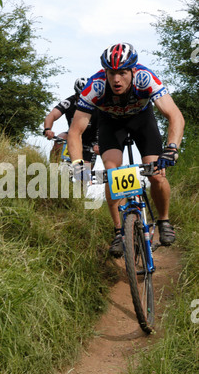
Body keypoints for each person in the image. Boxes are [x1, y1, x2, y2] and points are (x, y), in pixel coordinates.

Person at [67, 43, 185, 257]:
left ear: (133, 70)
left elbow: (174, 115)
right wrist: (77, 164)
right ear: (106, 72)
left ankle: (164, 221)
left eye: (122, 72)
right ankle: (119, 232)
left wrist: (172, 148)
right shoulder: (96, 87)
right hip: (111, 125)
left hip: (142, 121)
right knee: (113, 171)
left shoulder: (145, 78)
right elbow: (75, 131)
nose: (116, 79)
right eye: (112, 73)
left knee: (157, 175)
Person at [43, 78, 100, 168]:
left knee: (83, 176)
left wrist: (99, 143)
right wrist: (48, 129)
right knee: (60, 139)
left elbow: (105, 126)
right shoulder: (69, 102)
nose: (83, 100)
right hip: (73, 136)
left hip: (91, 142)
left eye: (86, 96)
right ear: (76, 94)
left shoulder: (97, 106)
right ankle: (52, 170)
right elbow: (51, 115)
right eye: (80, 96)